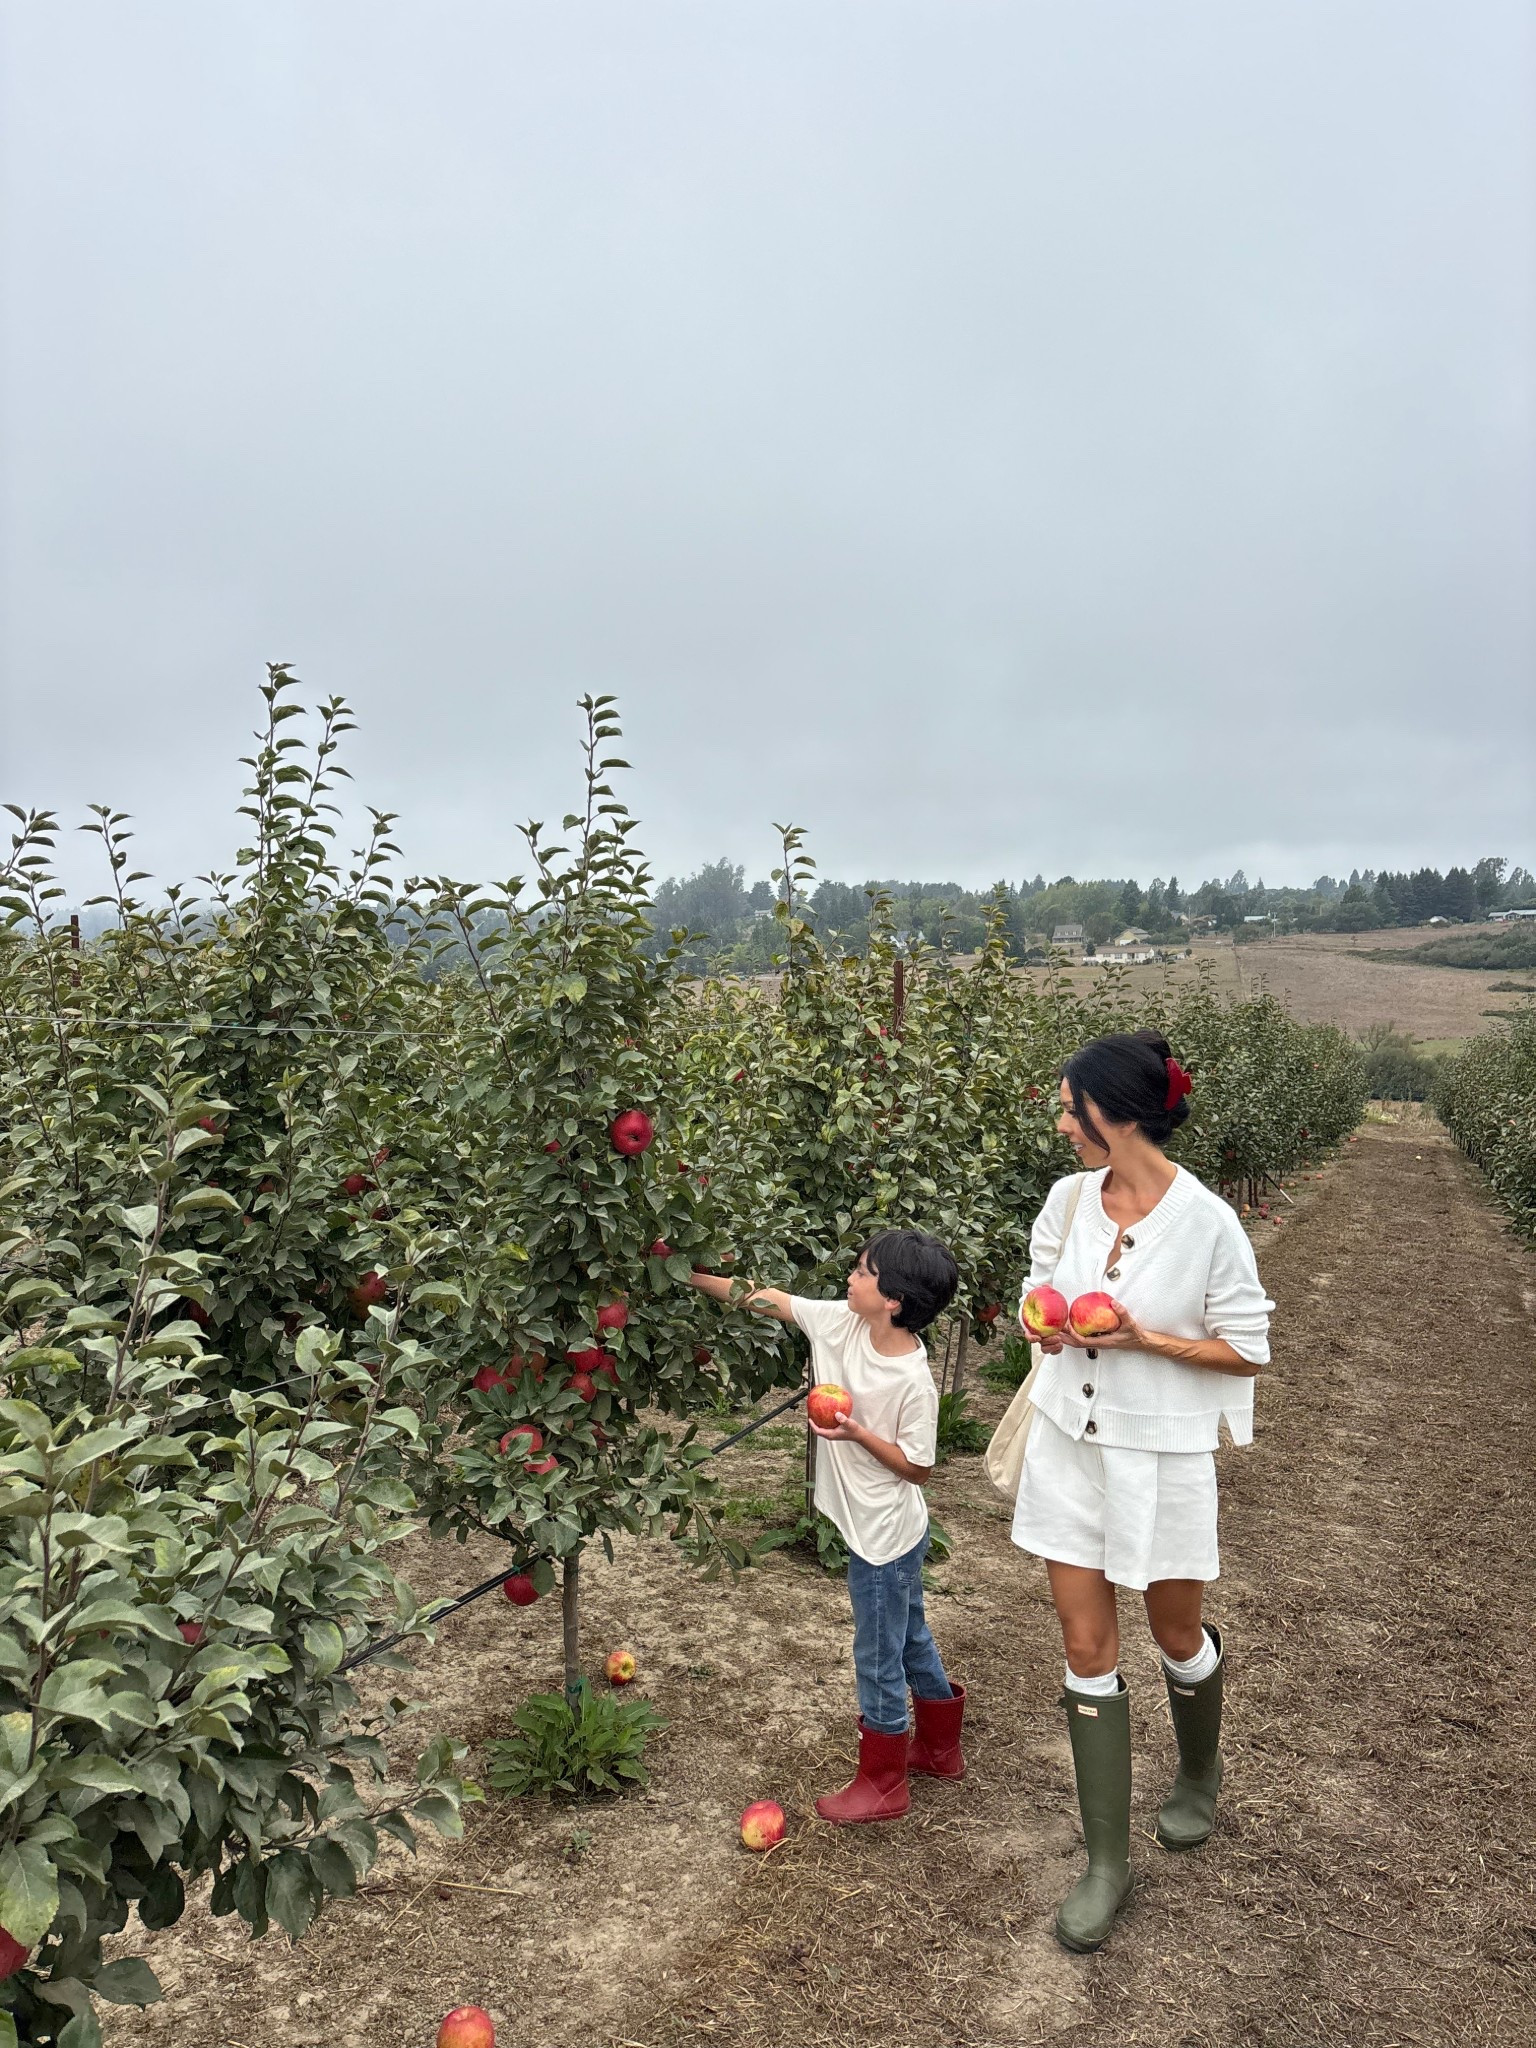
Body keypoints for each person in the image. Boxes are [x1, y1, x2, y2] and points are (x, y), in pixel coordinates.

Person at [1014, 1028, 1273, 1953]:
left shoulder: (1207, 1222)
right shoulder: (1068, 1200)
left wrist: (1143, 1340)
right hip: (1069, 1447)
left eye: (1069, 1106)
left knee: (1173, 1631)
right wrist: (1039, 1321)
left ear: (1114, 1114)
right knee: (1087, 1641)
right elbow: (1037, 1289)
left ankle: (1198, 1777)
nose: (1060, 1123)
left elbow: (1246, 1347)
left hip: (1159, 1456)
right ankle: (1106, 1864)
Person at [688, 1229, 962, 1823]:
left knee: (878, 1651)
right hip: (878, 1528)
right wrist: (689, 1277)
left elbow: (919, 1468)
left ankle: (885, 1780)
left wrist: (857, 1432)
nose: (850, 1278)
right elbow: (767, 1298)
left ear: (893, 1299)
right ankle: (940, 1749)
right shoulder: (840, 1321)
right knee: (908, 1633)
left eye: (863, 1272)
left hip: (884, 1535)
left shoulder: (913, 1380)